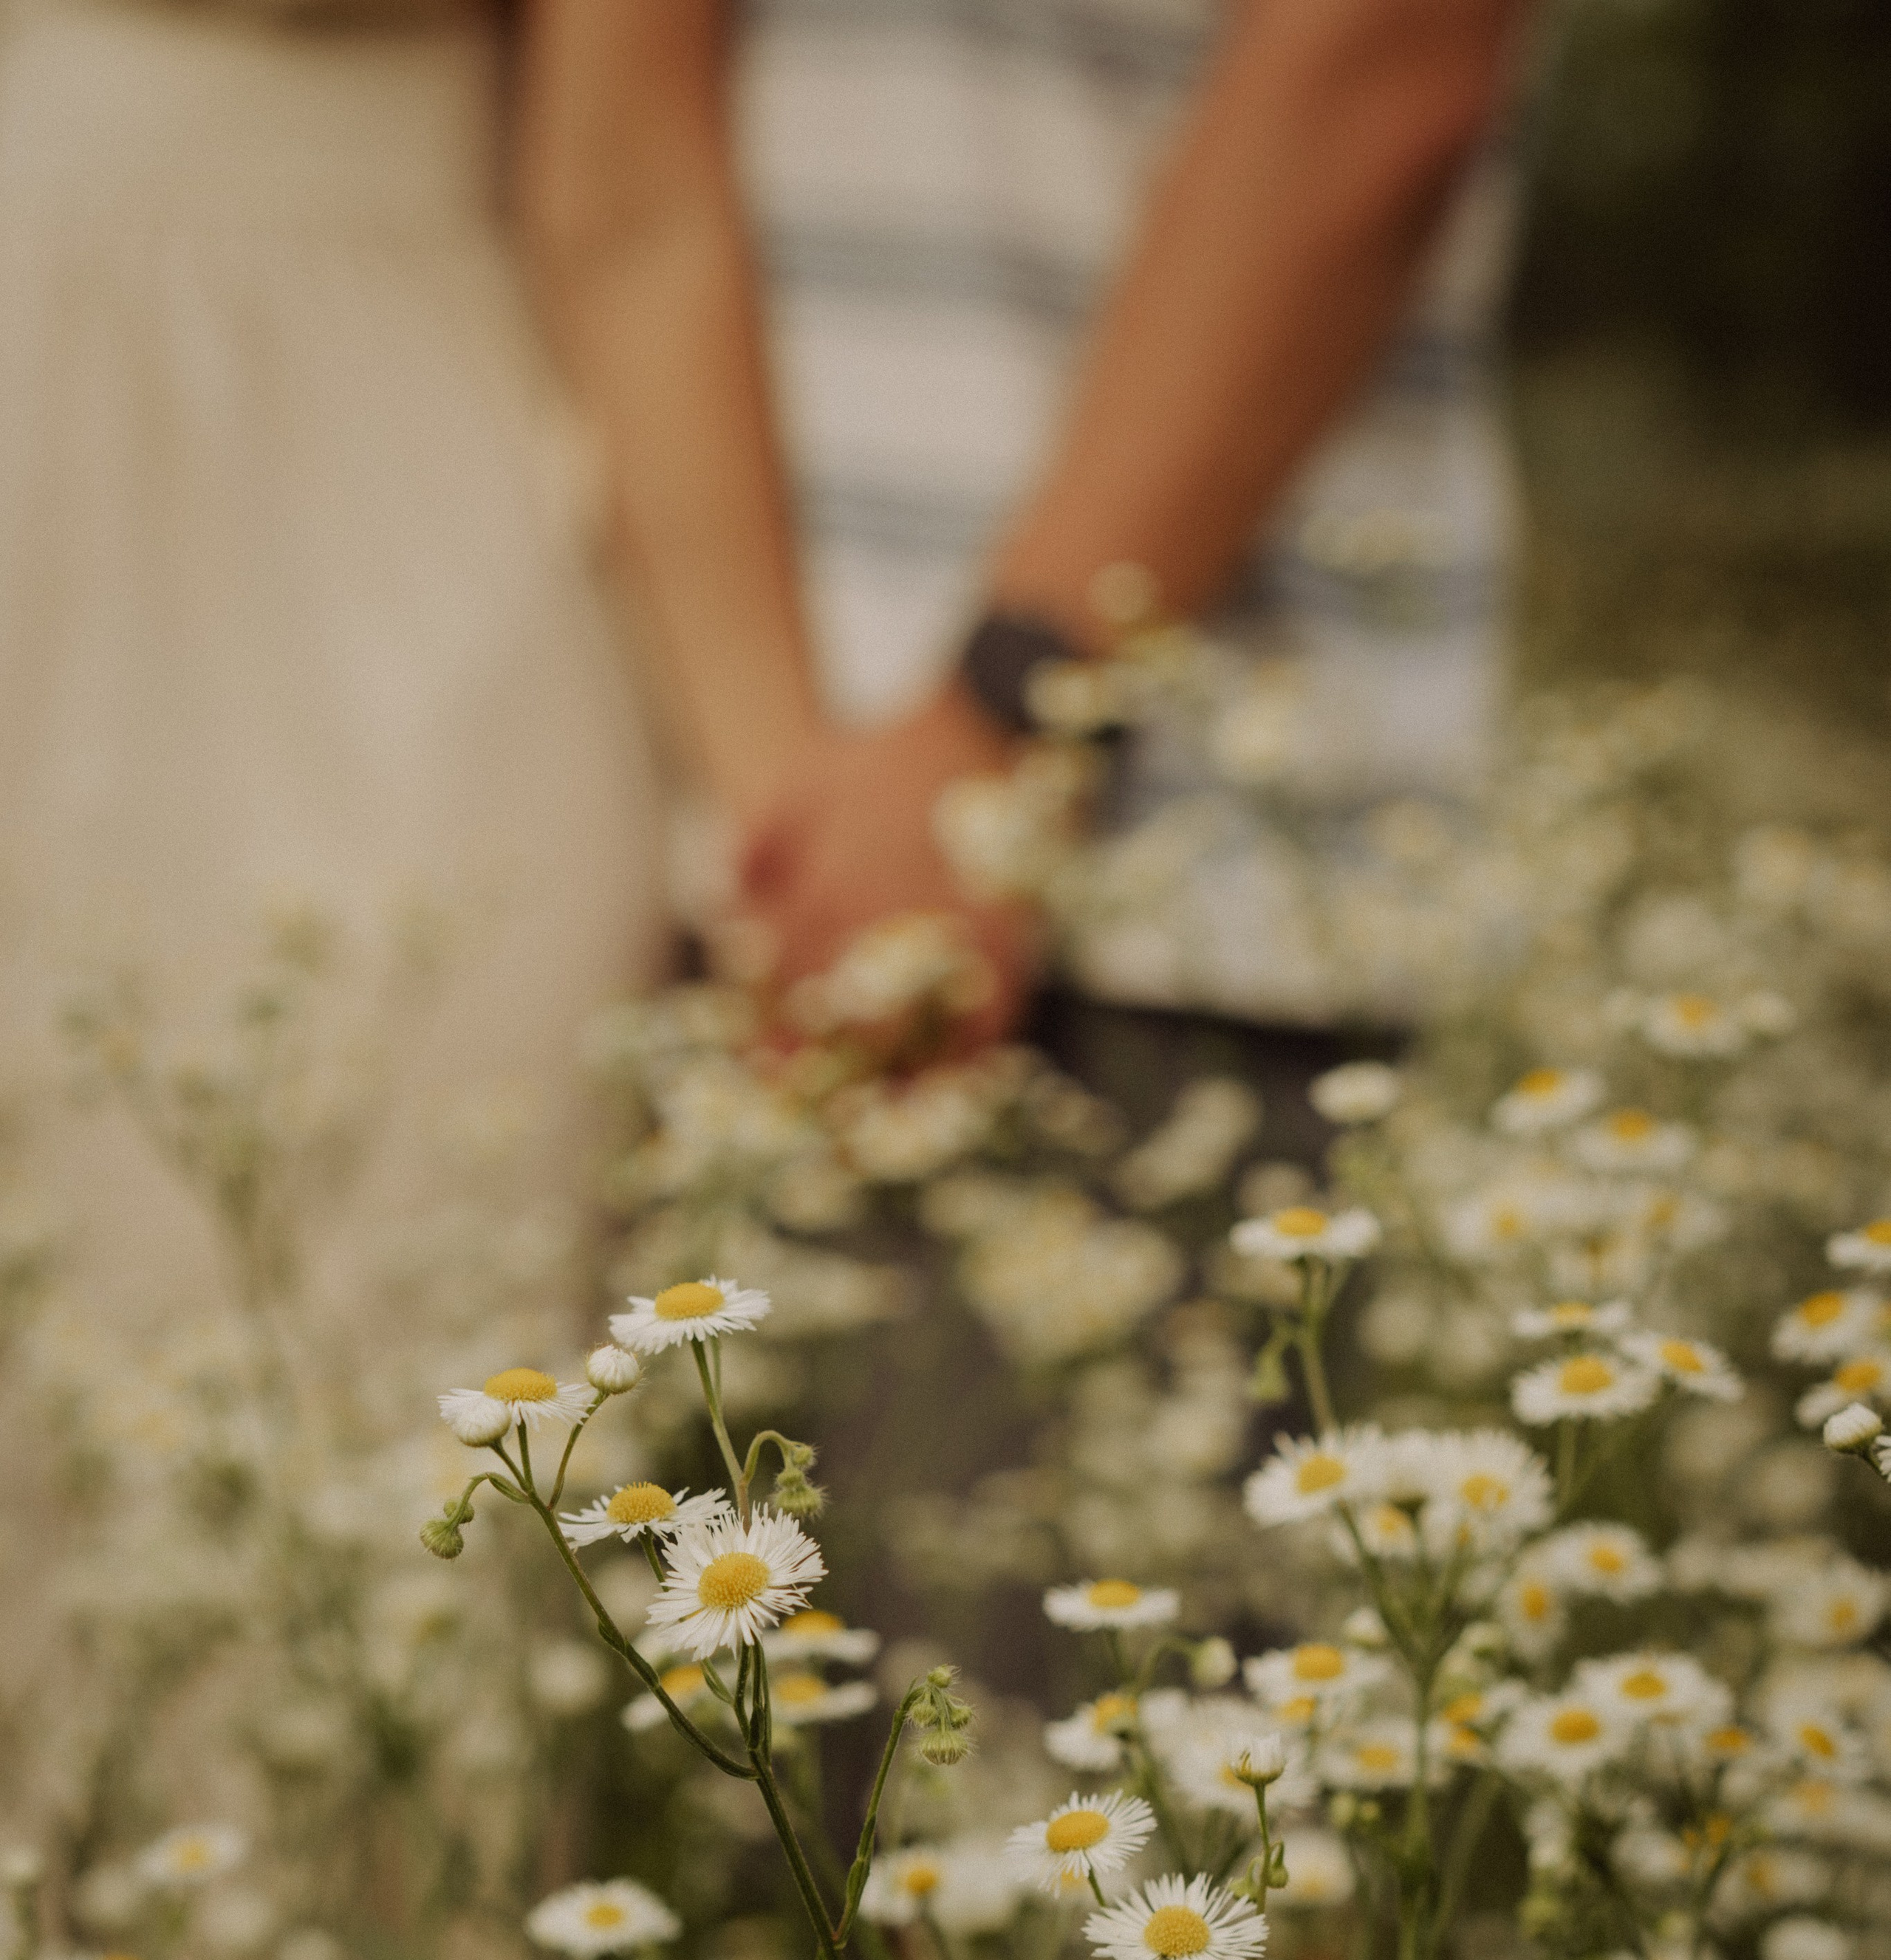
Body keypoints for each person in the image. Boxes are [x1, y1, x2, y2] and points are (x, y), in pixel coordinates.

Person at [0, 0, 826, 1325]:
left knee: (424, 1213)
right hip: (45, 376)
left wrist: (791, 838)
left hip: (414, 416)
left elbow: (633, 201)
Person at [717, 0, 1533, 1066]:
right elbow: (621, 186)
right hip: (733, 868)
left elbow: (1381, 68)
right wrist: (790, 824)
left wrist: (994, 721)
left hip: (1208, 898)